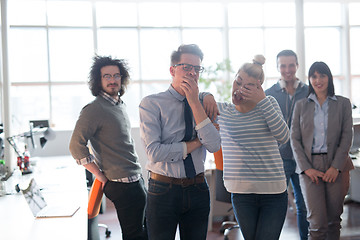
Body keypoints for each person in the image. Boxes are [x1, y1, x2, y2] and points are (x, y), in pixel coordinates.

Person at [139, 44, 221, 240]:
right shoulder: (151, 104)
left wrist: (194, 101)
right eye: (186, 67)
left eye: (197, 69)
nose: (193, 73)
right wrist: (195, 143)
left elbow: (214, 145)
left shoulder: (205, 103)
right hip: (163, 189)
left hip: (199, 187)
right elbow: (155, 152)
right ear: (172, 70)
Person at [69, 55, 147, 240]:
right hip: (121, 184)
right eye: (107, 76)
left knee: (143, 231)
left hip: (135, 179)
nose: (113, 80)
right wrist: (99, 175)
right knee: (134, 235)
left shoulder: (119, 105)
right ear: (98, 80)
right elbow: (75, 146)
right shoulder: (94, 109)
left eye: (116, 76)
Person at [216, 55, 289, 240]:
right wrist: (205, 95)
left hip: (273, 192)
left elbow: (283, 137)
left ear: (258, 89)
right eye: (238, 81)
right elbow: (193, 105)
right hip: (242, 194)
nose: (239, 89)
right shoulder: (223, 111)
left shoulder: (269, 103)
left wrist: (262, 100)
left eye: (247, 87)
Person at [290, 61, 354, 240]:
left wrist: (336, 167)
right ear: (309, 79)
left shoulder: (343, 103)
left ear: (329, 78)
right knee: (316, 224)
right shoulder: (301, 105)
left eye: (322, 75)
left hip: (337, 165)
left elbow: (347, 136)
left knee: (334, 222)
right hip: (310, 166)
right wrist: (306, 168)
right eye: (314, 76)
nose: (318, 80)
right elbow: (294, 139)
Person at [265, 49, 309, 239]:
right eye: (283, 65)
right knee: (274, 207)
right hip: (277, 158)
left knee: (304, 205)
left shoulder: (308, 92)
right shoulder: (267, 94)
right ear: (277, 68)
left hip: (303, 159)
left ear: (297, 66)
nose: (288, 70)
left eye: (291, 65)